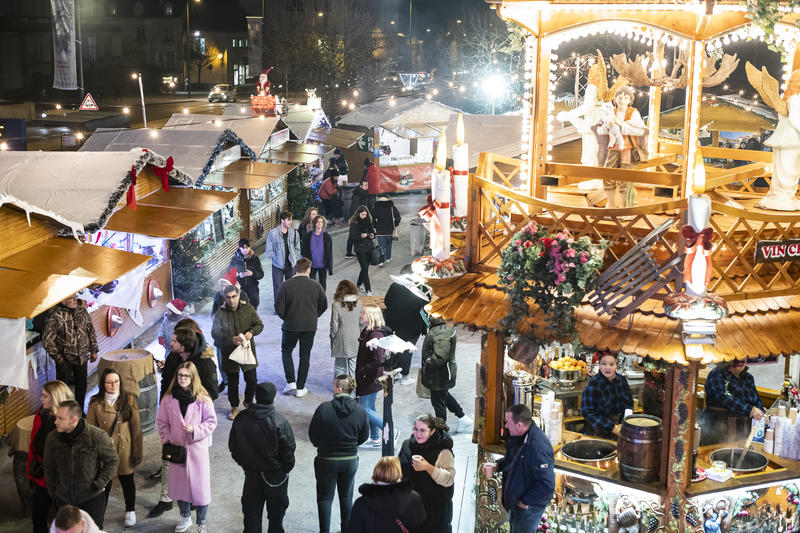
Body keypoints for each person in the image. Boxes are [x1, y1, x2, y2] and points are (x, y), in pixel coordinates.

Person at [150, 324, 220, 518]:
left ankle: (194, 502)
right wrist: (167, 405)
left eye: (174, 340)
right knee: (169, 461)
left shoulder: (204, 363)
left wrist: (194, 401)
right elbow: (166, 383)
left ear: (184, 345)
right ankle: (166, 500)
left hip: (196, 423)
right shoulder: (173, 357)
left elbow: (213, 392)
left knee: (196, 468)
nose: (170, 342)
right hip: (173, 419)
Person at [156, 362, 218, 533]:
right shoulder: (169, 399)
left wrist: (195, 430)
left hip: (197, 450)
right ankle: (185, 518)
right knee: (180, 487)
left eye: (186, 376)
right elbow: (162, 422)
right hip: (177, 449)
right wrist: (168, 438)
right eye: (180, 375)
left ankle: (202, 523)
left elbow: (211, 422)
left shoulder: (203, 399)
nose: (182, 379)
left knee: (201, 489)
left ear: (193, 378)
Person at [229, 382, 296, 533]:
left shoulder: (241, 418)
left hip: (251, 474)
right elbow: (288, 449)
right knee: (276, 515)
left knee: (251, 514)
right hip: (276, 476)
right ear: (273, 398)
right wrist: (286, 468)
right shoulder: (279, 421)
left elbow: (233, 446)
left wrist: (245, 464)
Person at [44, 399, 119, 528]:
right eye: (56, 417)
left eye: (61, 419)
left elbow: (112, 461)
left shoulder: (96, 436)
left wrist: (100, 482)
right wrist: (54, 491)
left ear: (74, 420)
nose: (55, 422)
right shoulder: (52, 438)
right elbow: (49, 467)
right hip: (63, 500)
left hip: (90, 499)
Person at [308, 375, 369, 533]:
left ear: (339, 389)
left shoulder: (324, 408)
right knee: (346, 497)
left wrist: (322, 446)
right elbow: (364, 436)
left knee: (325, 498)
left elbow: (313, 435)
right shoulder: (361, 411)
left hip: (326, 459)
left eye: (334, 385)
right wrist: (351, 446)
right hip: (349, 460)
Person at [482, 404, 555, 532]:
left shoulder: (537, 448)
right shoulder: (518, 436)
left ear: (519, 425)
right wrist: (497, 465)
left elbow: (547, 485)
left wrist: (524, 502)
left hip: (528, 509)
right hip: (518, 503)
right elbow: (513, 458)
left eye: (508, 423)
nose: (506, 426)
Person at [86, 369, 142, 528]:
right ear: (103, 384)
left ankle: (130, 510)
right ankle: (99, 513)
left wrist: (137, 451)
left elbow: (136, 428)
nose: (113, 385)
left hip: (125, 447)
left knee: (127, 480)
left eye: (116, 381)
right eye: (109, 382)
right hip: (105, 451)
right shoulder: (95, 403)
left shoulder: (129, 399)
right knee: (105, 483)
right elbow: (90, 429)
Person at [275, 257, 328, 397]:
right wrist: (313, 316)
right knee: (305, 356)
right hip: (310, 327)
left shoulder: (286, 285)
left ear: (295, 270)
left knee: (286, 351)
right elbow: (324, 305)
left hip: (290, 326)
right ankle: (300, 388)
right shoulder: (316, 285)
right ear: (308, 270)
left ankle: (290, 382)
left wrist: (288, 318)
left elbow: (278, 307)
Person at [212, 284, 264, 419]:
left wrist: (252, 332)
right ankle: (234, 407)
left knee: (252, 380)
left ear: (239, 295)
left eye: (234, 296)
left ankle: (248, 403)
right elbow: (215, 332)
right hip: (229, 353)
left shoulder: (248, 309)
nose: (231, 300)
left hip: (247, 351)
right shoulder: (220, 313)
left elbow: (259, 325)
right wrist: (230, 339)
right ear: (225, 298)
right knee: (233, 383)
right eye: (228, 297)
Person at [28, 380, 74, 533]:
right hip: (41, 477)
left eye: (44, 396)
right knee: (38, 519)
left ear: (55, 398)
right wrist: (30, 473)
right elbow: (33, 447)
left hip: (62, 481)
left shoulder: (70, 423)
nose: (41, 399)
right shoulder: (40, 416)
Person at [398, 415, 456, 533]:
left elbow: (448, 479)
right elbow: (398, 474)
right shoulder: (407, 446)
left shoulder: (443, 450)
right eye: (415, 429)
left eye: (423, 430)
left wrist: (428, 467)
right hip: (412, 509)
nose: (418, 434)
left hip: (436, 512)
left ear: (432, 431)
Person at [43, 294, 99, 411]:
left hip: (82, 356)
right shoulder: (55, 316)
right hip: (64, 359)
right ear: (63, 300)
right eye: (70, 298)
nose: (74, 300)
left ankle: (80, 411)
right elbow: (47, 340)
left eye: (75, 297)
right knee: (62, 390)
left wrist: (94, 350)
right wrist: (59, 358)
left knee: (82, 386)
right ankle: (63, 414)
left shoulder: (82, 311)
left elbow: (90, 330)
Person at [596, 84, 647, 208]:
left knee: (626, 179)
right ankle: (611, 204)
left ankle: (626, 207)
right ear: (615, 99)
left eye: (625, 98)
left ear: (630, 100)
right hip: (613, 148)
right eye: (620, 97)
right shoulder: (610, 113)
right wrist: (608, 125)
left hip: (628, 149)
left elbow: (640, 130)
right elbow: (600, 130)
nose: (622, 100)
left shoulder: (633, 113)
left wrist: (621, 124)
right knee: (607, 175)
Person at [421, 314, 472, 432]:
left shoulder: (441, 332)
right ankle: (462, 417)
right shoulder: (442, 327)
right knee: (443, 396)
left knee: (438, 402)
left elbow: (440, 357)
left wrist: (428, 362)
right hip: (441, 372)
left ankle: (441, 431)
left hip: (439, 373)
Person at [350, 456, 426, 533]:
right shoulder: (415, 499)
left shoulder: (361, 503)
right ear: (398, 472)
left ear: (376, 472)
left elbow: (354, 529)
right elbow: (421, 525)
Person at [384, 268, 430, 385]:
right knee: (407, 349)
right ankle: (404, 376)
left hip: (394, 323)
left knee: (395, 347)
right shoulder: (419, 289)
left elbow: (387, 301)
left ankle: (394, 371)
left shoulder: (394, 286)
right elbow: (426, 304)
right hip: (413, 325)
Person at [701, 359, 764, 444]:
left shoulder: (748, 377)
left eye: (743, 358)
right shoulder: (717, 374)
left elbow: (756, 399)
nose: (740, 360)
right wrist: (750, 410)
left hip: (742, 431)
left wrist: (762, 414)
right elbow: (721, 398)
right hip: (717, 428)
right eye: (736, 358)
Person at [355, 305, 390, 448]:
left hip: (370, 378)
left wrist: (363, 370)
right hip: (368, 378)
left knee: (364, 409)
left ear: (371, 316)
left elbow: (378, 360)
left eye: (363, 313)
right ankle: (375, 438)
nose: (361, 315)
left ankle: (389, 429)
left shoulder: (376, 335)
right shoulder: (368, 331)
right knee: (371, 408)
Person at [211, 268, 249, 392]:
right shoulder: (218, 297)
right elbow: (213, 315)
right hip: (222, 334)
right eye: (221, 286)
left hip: (237, 334)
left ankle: (236, 381)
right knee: (221, 359)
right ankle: (225, 379)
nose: (222, 288)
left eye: (225, 285)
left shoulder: (242, 295)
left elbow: (247, 314)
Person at [580, 350, 633, 438]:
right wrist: (612, 427)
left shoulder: (622, 380)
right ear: (599, 365)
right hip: (597, 433)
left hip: (620, 430)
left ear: (617, 365)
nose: (607, 368)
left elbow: (629, 403)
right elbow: (587, 412)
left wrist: (624, 423)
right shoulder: (594, 384)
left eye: (611, 364)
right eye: (603, 364)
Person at [265, 211, 301, 305]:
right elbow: (269, 250)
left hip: (291, 264)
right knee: (278, 287)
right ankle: (279, 307)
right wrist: (276, 258)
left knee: (291, 287)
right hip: (277, 265)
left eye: (291, 220)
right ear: (282, 220)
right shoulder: (272, 233)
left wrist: (295, 257)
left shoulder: (294, 233)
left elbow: (298, 248)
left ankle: (290, 306)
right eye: (288, 220)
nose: (290, 222)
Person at [329, 280, 363, 379]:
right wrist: (358, 332)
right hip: (355, 337)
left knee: (340, 366)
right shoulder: (359, 303)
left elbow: (334, 325)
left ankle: (341, 389)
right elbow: (362, 322)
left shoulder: (336, 304)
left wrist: (333, 338)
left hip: (341, 338)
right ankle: (353, 390)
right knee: (354, 366)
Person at [230, 238, 265, 310]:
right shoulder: (235, 260)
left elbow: (261, 274)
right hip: (239, 289)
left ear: (249, 247)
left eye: (247, 247)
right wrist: (238, 275)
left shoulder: (255, 259)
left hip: (253, 289)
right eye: (243, 248)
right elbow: (230, 275)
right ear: (239, 248)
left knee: (253, 309)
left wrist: (252, 273)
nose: (245, 250)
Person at [301, 215, 334, 290]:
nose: (319, 223)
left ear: (323, 224)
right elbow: (304, 249)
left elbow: (329, 253)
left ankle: (322, 300)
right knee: (311, 284)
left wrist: (330, 268)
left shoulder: (327, 237)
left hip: (323, 265)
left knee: (322, 284)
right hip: (311, 265)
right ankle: (312, 299)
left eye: (321, 222)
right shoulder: (309, 235)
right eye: (318, 222)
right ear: (315, 223)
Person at [349, 205, 375, 296]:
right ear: (358, 214)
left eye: (365, 214)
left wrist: (372, 235)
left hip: (369, 247)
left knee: (365, 268)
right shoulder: (354, 223)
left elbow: (372, 232)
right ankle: (368, 290)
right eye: (362, 214)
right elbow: (352, 237)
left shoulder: (369, 221)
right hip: (360, 249)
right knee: (364, 268)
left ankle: (358, 284)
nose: (364, 216)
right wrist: (360, 236)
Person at [372, 193, 401, 266]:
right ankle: (388, 258)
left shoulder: (376, 207)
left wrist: (376, 226)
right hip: (389, 230)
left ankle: (381, 261)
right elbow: (398, 218)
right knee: (388, 244)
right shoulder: (392, 207)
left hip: (380, 230)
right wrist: (394, 225)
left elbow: (372, 219)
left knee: (381, 246)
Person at [346, 180, 369, 259]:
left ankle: (357, 251)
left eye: (367, 185)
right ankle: (349, 253)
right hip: (356, 219)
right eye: (365, 185)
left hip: (360, 217)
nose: (367, 187)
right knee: (353, 236)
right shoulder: (358, 196)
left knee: (356, 235)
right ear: (361, 186)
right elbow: (354, 209)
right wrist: (356, 219)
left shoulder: (363, 194)